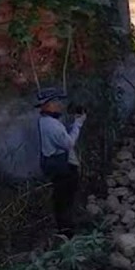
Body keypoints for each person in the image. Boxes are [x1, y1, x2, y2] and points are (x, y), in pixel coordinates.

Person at [37, 88, 86, 235]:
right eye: (55, 102)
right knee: (65, 200)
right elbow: (69, 143)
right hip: (62, 167)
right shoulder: (52, 125)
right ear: (47, 106)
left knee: (60, 199)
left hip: (54, 165)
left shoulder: (44, 121)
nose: (59, 105)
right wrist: (78, 124)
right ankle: (67, 233)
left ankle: (64, 229)